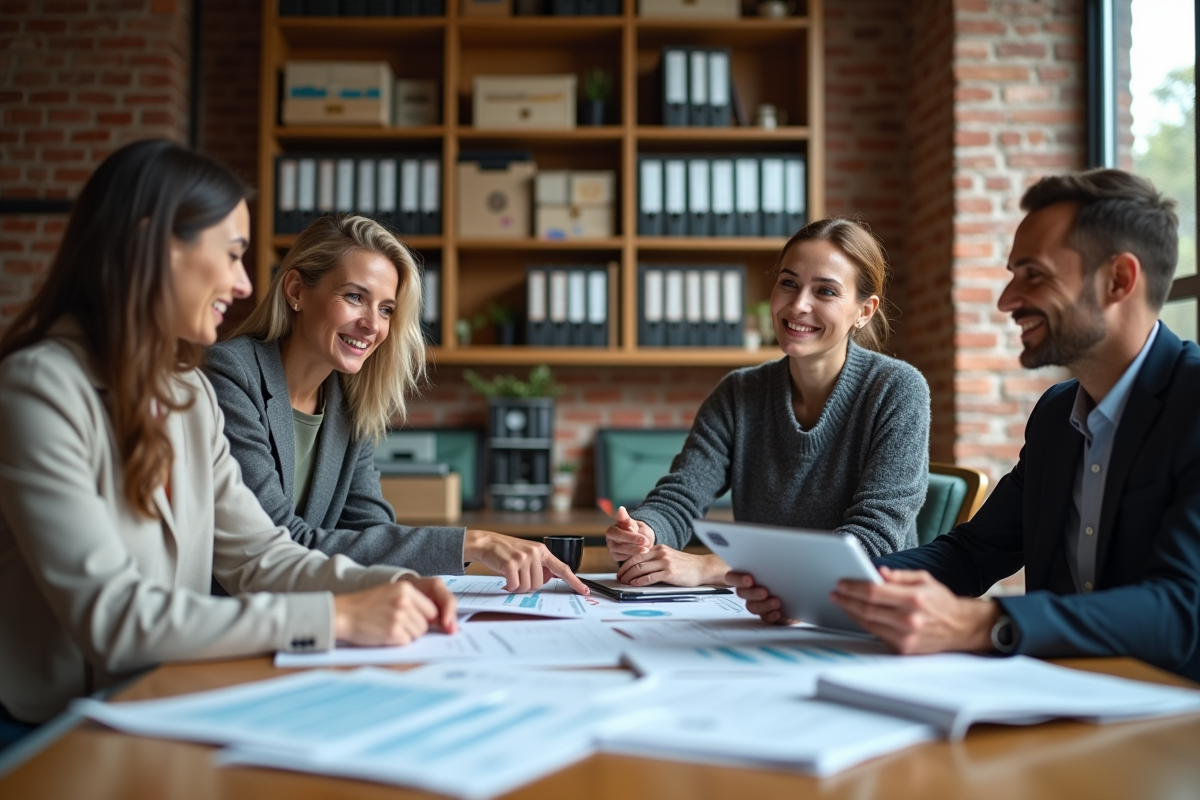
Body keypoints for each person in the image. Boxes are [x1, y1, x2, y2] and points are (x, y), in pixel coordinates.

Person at [0, 141, 458, 727]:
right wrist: (338, 617)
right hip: (47, 728)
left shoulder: (187, 395)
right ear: (156, 246)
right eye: (233, 254)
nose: (244, 285)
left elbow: (261, 556)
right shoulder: (37, 388)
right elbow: (114, 619)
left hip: (162, 705)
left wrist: (393, 584)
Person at [733, 169, 1200, 681]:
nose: (1007, 300)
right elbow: (975, 552)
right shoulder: (1057, 414)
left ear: (1119, 280)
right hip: (1066, 697)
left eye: (1034, 275)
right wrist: (829, 587)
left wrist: (985, 622)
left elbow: (1183, 609)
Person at [205, 214, 588, 595]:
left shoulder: (349, 403)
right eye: (355, 297)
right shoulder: (232, 375)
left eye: (386, 309)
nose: (372, 325)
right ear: (296, 291)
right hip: (231, 623)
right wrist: (472, 543)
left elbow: (369, 533)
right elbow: (279, 543)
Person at [605, 218, 931, 587]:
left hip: (863, 611)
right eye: (788, 283)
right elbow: (681, 495)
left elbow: (872, 540)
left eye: (825, 292)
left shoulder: (897, 390)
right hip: (764, 606)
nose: (798, 305)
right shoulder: (738, 393)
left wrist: (716, 567)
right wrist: (645, 530)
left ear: (864, 311)